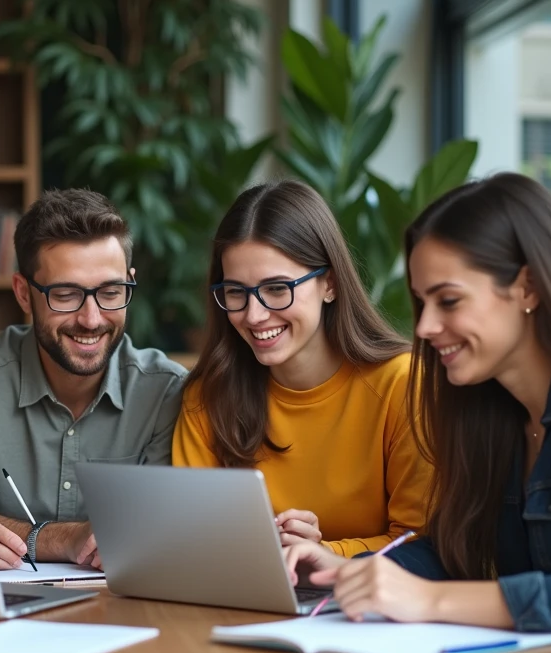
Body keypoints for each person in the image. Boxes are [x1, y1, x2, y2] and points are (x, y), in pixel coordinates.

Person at [284, 173, 551, 653]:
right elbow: (454, 549)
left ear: (527, 287)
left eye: (449, 301)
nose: (423, 327)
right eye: (422, 303)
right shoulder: (493, 409)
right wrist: (353, 571)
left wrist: (427, 601)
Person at [0, 188, 187, 570]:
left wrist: (8, 532)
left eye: (110, 292)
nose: (92, 319)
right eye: (65, 295)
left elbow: (159, 531)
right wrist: (64, 539)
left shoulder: (167, 391)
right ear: (24, 294)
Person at [173, 180, 431, 556]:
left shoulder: (403, 385)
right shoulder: (208, 397)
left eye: (277, 288)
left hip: (367, 608)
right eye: (236, 292)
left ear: (330, 283)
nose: (254, 315)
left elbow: (422, 544)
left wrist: (328, 554)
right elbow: (189, 539)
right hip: (243, 603)